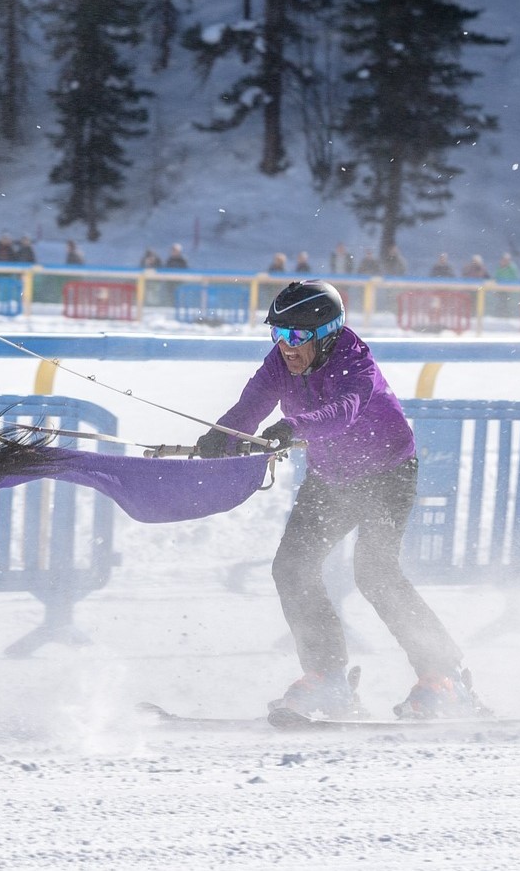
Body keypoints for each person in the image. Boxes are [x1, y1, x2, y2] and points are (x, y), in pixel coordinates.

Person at [197, 281, 485, 721]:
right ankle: (328, 680)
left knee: (375, 574)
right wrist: (221, 435)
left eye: (296, 336)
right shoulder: (282, 361)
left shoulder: (356, 363)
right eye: (277, 334)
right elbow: (251, 405)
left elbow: (343, 412)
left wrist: (294, 426)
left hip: (388, 474)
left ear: (327, 333)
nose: (285, 347)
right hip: (331, 479)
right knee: (291, 568)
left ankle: (444, 680)